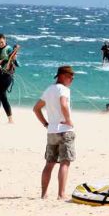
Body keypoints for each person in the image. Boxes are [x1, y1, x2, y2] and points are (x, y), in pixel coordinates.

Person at [33, 65, 76, 200]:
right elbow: (63, 104)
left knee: (49, 163)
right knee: (65, 162)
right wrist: (69, 120)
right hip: (64, 131)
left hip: (51, 131)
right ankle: (61, 194)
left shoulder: (49, 89)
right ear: (62, 76)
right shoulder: (64, 90)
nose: (72, 80)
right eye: (70, 77)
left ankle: (44, 194)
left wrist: (46, 124)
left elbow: (36, 109)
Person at [0, 34, 19, 123]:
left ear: (5, 40)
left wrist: (14, 58)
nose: (0, 44)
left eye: (2, 42)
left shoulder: (10, 49)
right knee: (3, 97)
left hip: (7, 76)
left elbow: (16, 62)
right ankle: (10, 119)